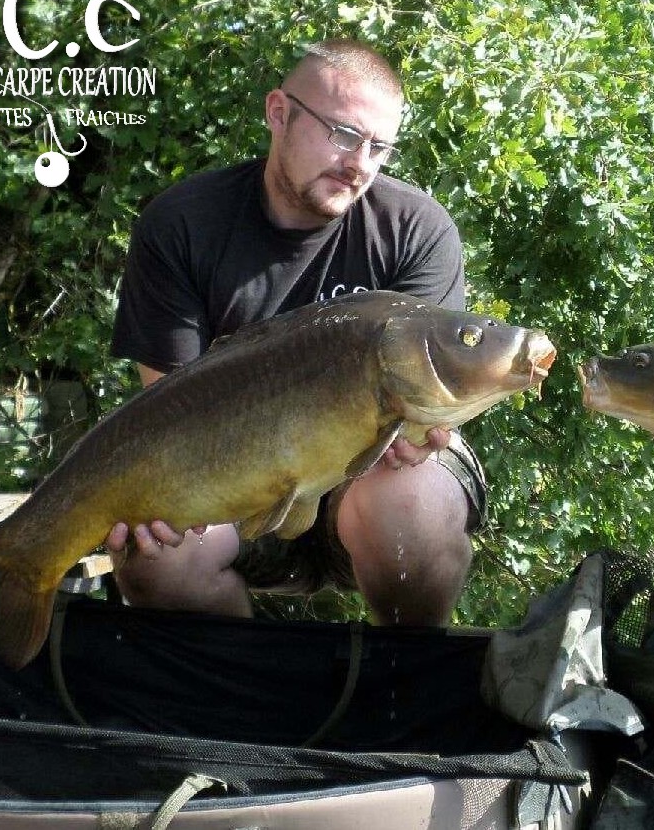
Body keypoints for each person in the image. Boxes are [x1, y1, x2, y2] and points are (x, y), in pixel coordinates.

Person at [105, 38, 485, 626]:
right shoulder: (182, 224)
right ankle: (241, 702)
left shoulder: (415, 229)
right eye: (342, 134)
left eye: (379, 147)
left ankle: (397, 690)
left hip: (372, 471)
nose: (360, 163)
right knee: (156, 556)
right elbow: (171, 421)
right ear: (278, 112)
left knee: (414, 508)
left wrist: (422, 428)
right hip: (237, 478)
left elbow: (421, 408)